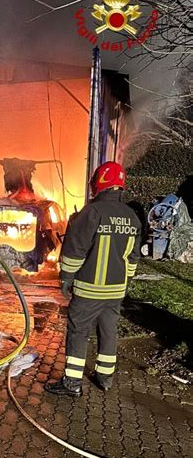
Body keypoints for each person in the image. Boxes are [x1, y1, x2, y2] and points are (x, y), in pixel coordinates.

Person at [45, 161, 141, 396]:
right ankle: (105, 377)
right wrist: (125, 281)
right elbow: (133, 257)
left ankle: (72, 383)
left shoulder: (91, 212)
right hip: (116, 291)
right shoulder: (132, 216)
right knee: (109, 331)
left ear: (99, 183)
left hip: (89, 289)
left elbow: (74, 251)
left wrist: (66, 278)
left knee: (79, 332)